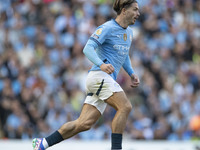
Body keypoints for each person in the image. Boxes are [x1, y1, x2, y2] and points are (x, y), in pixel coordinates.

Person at [32, 0, 140, 150]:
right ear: (124, 10)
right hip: (98, 76)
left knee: (84, 123)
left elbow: (124, 54)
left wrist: (131, 73)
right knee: (125, 107)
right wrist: (101, 64)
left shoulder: (129, 32)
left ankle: (42, 143)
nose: (138, 13)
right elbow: (88, 48)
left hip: (105, 80)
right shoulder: (107, 28)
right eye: (135, 9)